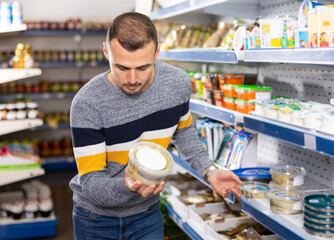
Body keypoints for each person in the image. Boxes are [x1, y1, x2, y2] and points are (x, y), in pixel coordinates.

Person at [69, 12, 242, 240]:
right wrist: (128, 185)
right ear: (105, 52)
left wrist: (209, 171)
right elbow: (92, 183)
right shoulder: (87, 103)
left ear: (157, 53)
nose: (132, 79)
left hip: (147, 215)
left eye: (143, 67)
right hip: (95, 220)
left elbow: (185, 134)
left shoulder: (178, 84)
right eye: (121, 67)